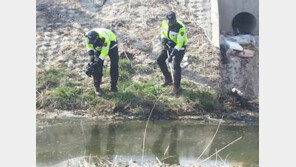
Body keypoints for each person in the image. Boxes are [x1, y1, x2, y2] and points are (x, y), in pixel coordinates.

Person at [157, 11, 188, 94]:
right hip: (169, 45)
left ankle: (176, 86)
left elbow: (180, 43)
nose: (170, 24)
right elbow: (163, 33)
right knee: (160, 60)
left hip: (179, 48)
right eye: (168, 22)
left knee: (176, 65)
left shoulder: (180, 27)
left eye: (172, 22)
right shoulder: (164, 23)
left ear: (175, 19)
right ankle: (168, 78)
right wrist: (163, 39)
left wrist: (172, 55)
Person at [84, 28, 119, 95]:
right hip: (98, 47)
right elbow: (89, 46)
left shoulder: (105, 38)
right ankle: (97, 87)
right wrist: (91, 56)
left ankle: (113, 87)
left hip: (111, 45)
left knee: (114, 66)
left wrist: (99, 61)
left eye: (92, 41)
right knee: (97, 67)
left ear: (96, 38)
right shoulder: (87, 36)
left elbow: (104, 52)